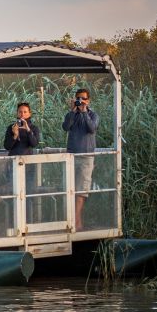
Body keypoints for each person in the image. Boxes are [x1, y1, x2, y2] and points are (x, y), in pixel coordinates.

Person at [62, 88, 99, 230]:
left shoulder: (93, 115)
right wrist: (73, 111)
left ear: (88, 100)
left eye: (83, 98)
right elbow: (65, 127)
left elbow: (92, 129)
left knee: (81, 190)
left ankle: (77, 220)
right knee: (70, 190)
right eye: (78, 98)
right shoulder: (71, 114)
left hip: (86, 157)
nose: (81, 100)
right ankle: (75, 220)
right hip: (71, 157)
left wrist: (84, 112)